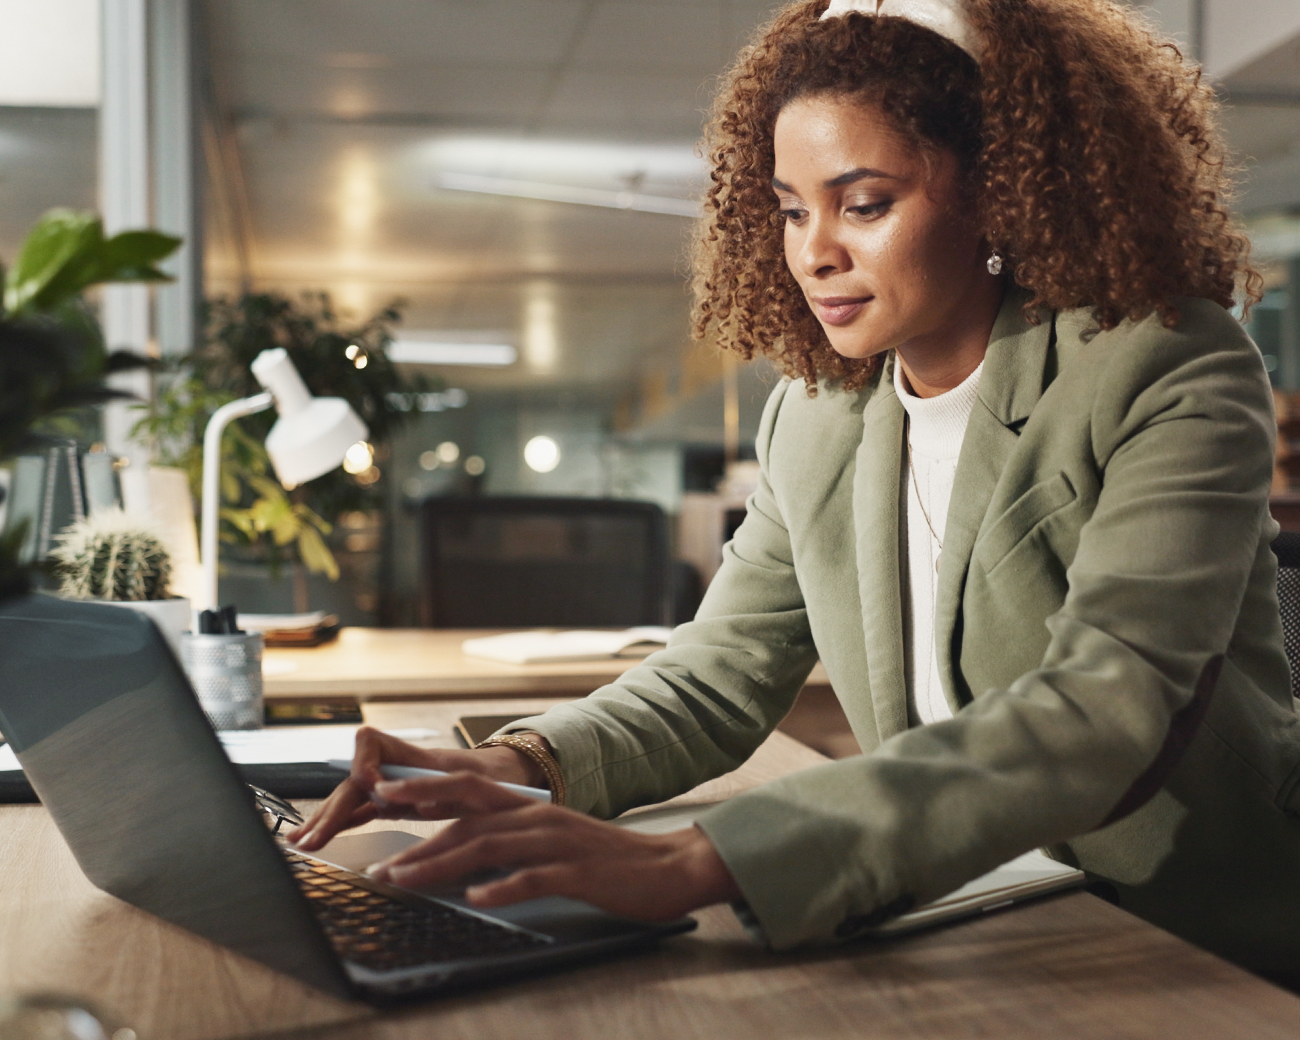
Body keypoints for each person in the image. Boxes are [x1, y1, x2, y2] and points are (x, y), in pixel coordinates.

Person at [292, 0, 1300, 978]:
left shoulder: (1165, 365)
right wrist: (524, 764)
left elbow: (1104, 706)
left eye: (863, 203)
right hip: (967, 908)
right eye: (789, 209)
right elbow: (720, 668)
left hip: (1184, 932)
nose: (815, 251)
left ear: (1001, 188)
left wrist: (706, 857)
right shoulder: (814, 413)